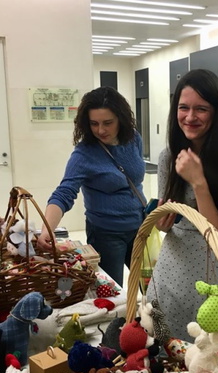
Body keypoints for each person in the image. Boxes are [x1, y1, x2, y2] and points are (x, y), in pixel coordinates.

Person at [145, 69, 218, 342]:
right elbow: (168, 218)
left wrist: (198, 182)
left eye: (201, 109)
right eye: (183, 107)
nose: (190, 116)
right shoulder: (168, 157)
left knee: (208, 348)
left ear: (216, 112)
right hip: (171, 268)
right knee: (162, 343)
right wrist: (163, 223)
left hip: (211, 270)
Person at [36, 86, 145, 286]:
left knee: (151, 285)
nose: (100, 130)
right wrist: (47, 230)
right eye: (94, 123)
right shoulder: (84, 154)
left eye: (108, 123)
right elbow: (64, 193)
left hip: (141, 227)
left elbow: (135, 180)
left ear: (121, 119)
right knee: (111, 291)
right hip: (107, 234)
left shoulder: (133, 139)